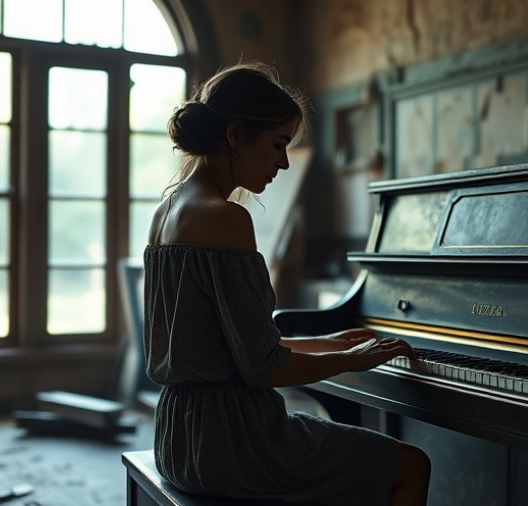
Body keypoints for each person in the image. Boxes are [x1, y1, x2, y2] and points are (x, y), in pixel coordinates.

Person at [143, 59, 431, 506]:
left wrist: (329, 342)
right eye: (278, 144)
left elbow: (235, 350)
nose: (282, 163)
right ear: (236, 136)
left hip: (179, 435)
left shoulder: (168, 211)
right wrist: (351, 360)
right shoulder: (225, 218)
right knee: (411, 466)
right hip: (235, 443)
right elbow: (265, 369)